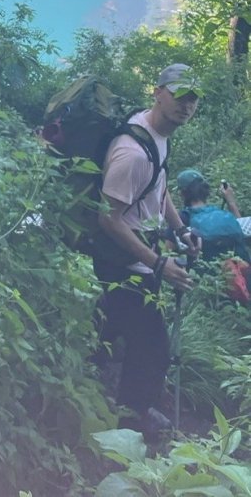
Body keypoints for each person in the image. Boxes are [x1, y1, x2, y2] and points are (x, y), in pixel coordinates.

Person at [93, 63, 202, 440]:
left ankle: (97, 381)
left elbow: (160, 186)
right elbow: (108, 218)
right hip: (123, 259)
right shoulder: (132, 153)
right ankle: (131, 419)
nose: (185, 105)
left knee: (117, 328)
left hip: (140, 257)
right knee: (153, 346)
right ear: (157, 92)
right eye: (178, 95)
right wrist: (158, 264)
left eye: (192, 98)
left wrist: (180, 229)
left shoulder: (158, 136)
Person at [177, 169, 250, 262]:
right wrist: (230, 201)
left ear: (182, 193)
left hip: (204, 273)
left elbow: (169, 250)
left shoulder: (183, 217)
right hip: (239, 271)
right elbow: (241, 229)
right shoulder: (221, 212)